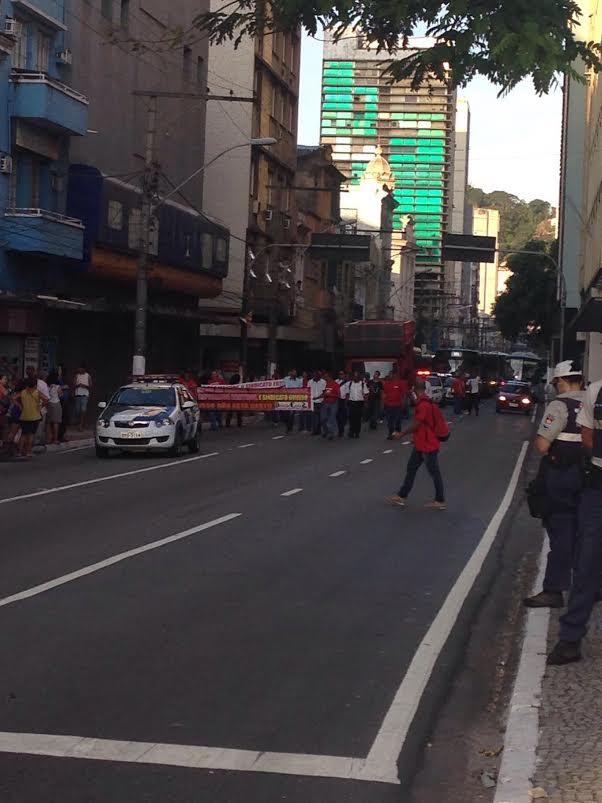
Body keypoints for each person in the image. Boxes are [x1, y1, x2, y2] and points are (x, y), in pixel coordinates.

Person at [547, 372, 602, 665]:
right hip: (598, 486)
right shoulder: (595, 392)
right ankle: (570, 640)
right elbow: (587, 433)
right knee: (586, 562)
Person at [524, 361, 586, 610]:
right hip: (591, 477)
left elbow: (541, 446)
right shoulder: (594, 403)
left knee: (562, 533)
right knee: (588, 532)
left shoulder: (560, 405)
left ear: (560, 382)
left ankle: (553, 589)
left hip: (562, 477)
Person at [386, 378, 446, 510]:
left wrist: (402, 434)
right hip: (421, 444)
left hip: (427, 445)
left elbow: (417, 424)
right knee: (411, 469)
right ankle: (401, 496)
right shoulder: (424, 402)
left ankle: (440, 500)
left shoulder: (423, 405)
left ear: (414, 390)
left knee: (434, 472)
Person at [19, 377, 42, 458]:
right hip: (34, 416)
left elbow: (13, 398)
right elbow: (46, 399)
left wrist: (20, 406)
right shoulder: (37, 392)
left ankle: (20, 451)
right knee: (31, 434)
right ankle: (28, 451)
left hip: (24, 415)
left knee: (24, 434)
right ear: (35, 385)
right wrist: (40, 406)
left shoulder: (23, 392)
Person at [344, 371, 369, 438]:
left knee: (358, 418)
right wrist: (346, 403)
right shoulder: (349, 384)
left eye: (357, 376)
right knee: (351, 418)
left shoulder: (362, 384)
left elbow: (366, 394)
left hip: (359, 403)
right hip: (351, 402)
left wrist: (366, 403)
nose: (355, 377)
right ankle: (351, 432)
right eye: (354, 376)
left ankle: (357, 432)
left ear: (359, 377)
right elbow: (347, 394)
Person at [382, 373, 406, 440]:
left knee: (398, 420)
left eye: (391, 375)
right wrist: (383, 403)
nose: (389, 376)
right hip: (389, 405)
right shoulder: (386, 383)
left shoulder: (399, 383)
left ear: (394, 376)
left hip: (397, 405)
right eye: (389, 375)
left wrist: (403, 403)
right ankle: (391, 434)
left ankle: (398, 433)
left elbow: (403, 394)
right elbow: (384, 393)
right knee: (390, 420)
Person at [46, 371, 63, 445]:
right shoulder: (57, 387)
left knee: (48, 422)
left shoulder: (47, 386)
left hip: (49, 404)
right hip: (56, 404)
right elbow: (61, 395)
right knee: (56, 422)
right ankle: (55, 439)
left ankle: (48, 438)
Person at [321, 371, 340, 440]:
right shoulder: (325, 384)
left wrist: (330, 395)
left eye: (326, 377)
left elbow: (338, 395)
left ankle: (331, 433)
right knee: (323, 418)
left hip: (333, 404)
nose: (325, 378)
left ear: (329, 377)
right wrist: (316, 397)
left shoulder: (335, 384)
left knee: (331, 418)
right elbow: (324, 393)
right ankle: (326, 431)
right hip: (325, 403)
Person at [283, 368, 302, 433]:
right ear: (291, 373)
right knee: (285, 414)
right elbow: (282, 387)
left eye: (296, 373)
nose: (295, 374)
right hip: (286, 399)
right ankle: (288, 425)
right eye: (294, 372)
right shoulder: (286, 379)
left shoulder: (299, 381)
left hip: (294, 399)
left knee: (292, 414)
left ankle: (289, 427)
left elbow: (301, 389)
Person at [73, 363, 92, 431]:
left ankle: (81, 425)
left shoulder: (88, 376)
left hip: (85, 395)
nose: (79, 369)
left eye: (81, 368)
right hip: (78, 394)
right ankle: (79, 423)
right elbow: (73, 385)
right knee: (78, 410)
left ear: (84, 369)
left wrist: (84, 386)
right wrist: (78, 385)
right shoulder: (76, 376)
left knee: (83, 410)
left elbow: (90, 386)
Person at [308, 370, 326, 435]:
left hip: (321, 402)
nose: (315, 376)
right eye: (314, 375)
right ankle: (314, 430)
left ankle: (319, 430)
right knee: (314, 417)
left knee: (321, 417)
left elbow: (324, 392)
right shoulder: (310, 382)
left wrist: (317, 397)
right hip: (312, 402)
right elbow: (308, 391)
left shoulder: (323, 382)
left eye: (317, 375)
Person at [57, 364, 70, 442]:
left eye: (60, 369)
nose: (60, 371)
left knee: (64, 418)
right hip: (59, 401)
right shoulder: (56, 380)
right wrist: (63, 387)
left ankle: (62, 435)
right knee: (60, 419)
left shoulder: (63, 379)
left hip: (64, 401)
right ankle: (59, 435)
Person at [336, 370, 350, 437]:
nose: (340, 375)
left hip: (343, 400)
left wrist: (346, 402)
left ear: (344, 375)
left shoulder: (347, 382)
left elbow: (347, 393)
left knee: (342, 417)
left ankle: (341, 431)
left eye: (342, 374)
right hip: (336, 400)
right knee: (337, 416)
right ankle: (339, 429)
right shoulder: (336, 381)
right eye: (339, 374)